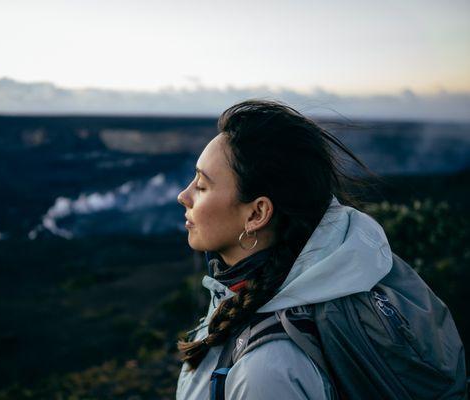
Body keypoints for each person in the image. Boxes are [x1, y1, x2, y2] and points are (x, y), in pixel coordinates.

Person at [175, 99, 426, 399]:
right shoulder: (252, 295)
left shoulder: (266, 374)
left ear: (256, 215)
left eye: (201, 186)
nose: (183, 196)